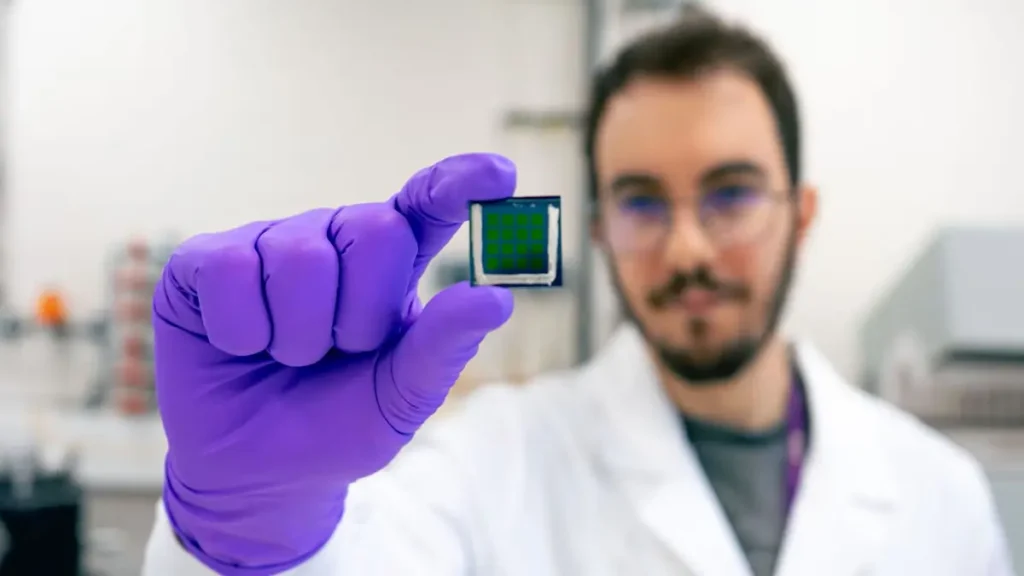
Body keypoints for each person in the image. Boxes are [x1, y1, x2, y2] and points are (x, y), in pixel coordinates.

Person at [142, 8, 1015, 576]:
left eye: (732, 192)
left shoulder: (941, 493)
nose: (684, 246)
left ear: (804, 210)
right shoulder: (493, 460)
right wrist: (253, 538)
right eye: (640, 200)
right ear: (597, 229)